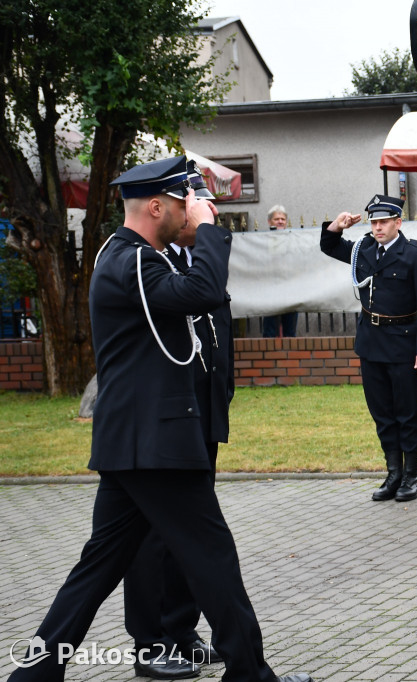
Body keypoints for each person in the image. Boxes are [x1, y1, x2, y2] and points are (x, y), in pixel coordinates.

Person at [8, 156, 311, 682]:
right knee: (212, 557)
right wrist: (214, 231)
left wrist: (199, 236)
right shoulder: (130, 260)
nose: (188, 212)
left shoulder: (138, 258)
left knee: (98, 566)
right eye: (181, 203)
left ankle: (34, 672)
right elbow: (203, 292)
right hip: (155, 443)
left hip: (138, 442)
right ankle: (250, 675)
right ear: (156, 206)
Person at [120, 163, 233, 679]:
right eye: (197, 204)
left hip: (202, 406)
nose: (204, 213)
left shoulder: (191, 256)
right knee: (152, 536)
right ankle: (152, 638)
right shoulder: (149, 261)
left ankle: (182, 630)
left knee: (185, 534)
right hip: (163, 420)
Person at [320, 195, 417, 502]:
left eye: (384, 222)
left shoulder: (415, 255)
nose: (377, 227)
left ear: (398, 223)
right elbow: (330, 246)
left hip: (403, 343)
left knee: (408, 412)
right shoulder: (363, 249)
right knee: (382, 413)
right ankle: (393, 473)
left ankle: (411, 475)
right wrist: (336, 226)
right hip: (372, 343)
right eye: (374, 222)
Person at [262, 204, 299, 338]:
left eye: (283, 219)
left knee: (290, 331)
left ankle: (292, 359)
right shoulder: (262, 240)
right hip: (270, 289)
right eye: (276, 219)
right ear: (269, 221)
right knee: (270, 331)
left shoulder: (292, 240)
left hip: (290, 289)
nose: (280, 221)